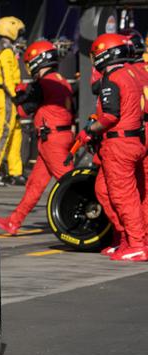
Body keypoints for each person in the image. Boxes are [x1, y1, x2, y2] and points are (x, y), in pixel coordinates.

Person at [77, 33, 147, 261]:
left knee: (123, 196)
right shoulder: (133, 73)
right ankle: (129, 239)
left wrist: (88, 131)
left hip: (119, 143)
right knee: (118, 192)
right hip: (135, 140)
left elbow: (109, 116)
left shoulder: (114, 78)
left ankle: (136, 243)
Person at [0, 40, 74, 235]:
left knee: (71, 184)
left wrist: (18, 93)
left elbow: (23, 110)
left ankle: (93, 221)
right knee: (35, 185)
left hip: (52, 140)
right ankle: (14, 221)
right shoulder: (62, 80)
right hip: (59, 136)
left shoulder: (43, 84)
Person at [0, 16, 26, 187]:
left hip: (4, 95)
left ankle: (15, 172)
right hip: (8, 96)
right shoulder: (6, 51)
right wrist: (16, 95)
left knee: (15, 132)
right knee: (4, 134)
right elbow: (8, 76)